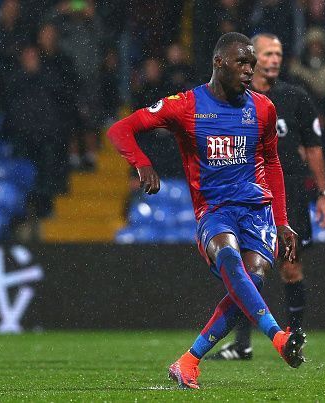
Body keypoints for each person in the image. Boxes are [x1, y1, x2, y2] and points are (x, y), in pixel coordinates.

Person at [107, 32, 306, 390]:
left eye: (252, 63)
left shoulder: (263, 108)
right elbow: (122, 130)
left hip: (258, 212)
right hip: (215, 210)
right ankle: (277, 337)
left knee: (253, 279)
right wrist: (140, 163)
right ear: (218, 62)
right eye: (241, 63)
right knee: (230, 260)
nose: (250, 70)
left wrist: (284, 222)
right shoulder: (185, 105)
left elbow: (273, 164)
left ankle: (188, 361)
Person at [205, 33, 325, 361]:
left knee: (291, 266)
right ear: (251, 58)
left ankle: (293, 336)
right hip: (247, 191)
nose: (274, 59)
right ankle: (242, 344)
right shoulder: (234, 98)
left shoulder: (296, 98)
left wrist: (324, 193)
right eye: (267, 53)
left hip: (288, 189)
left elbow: (315, 149)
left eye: (278, 53)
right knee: (246, 271)